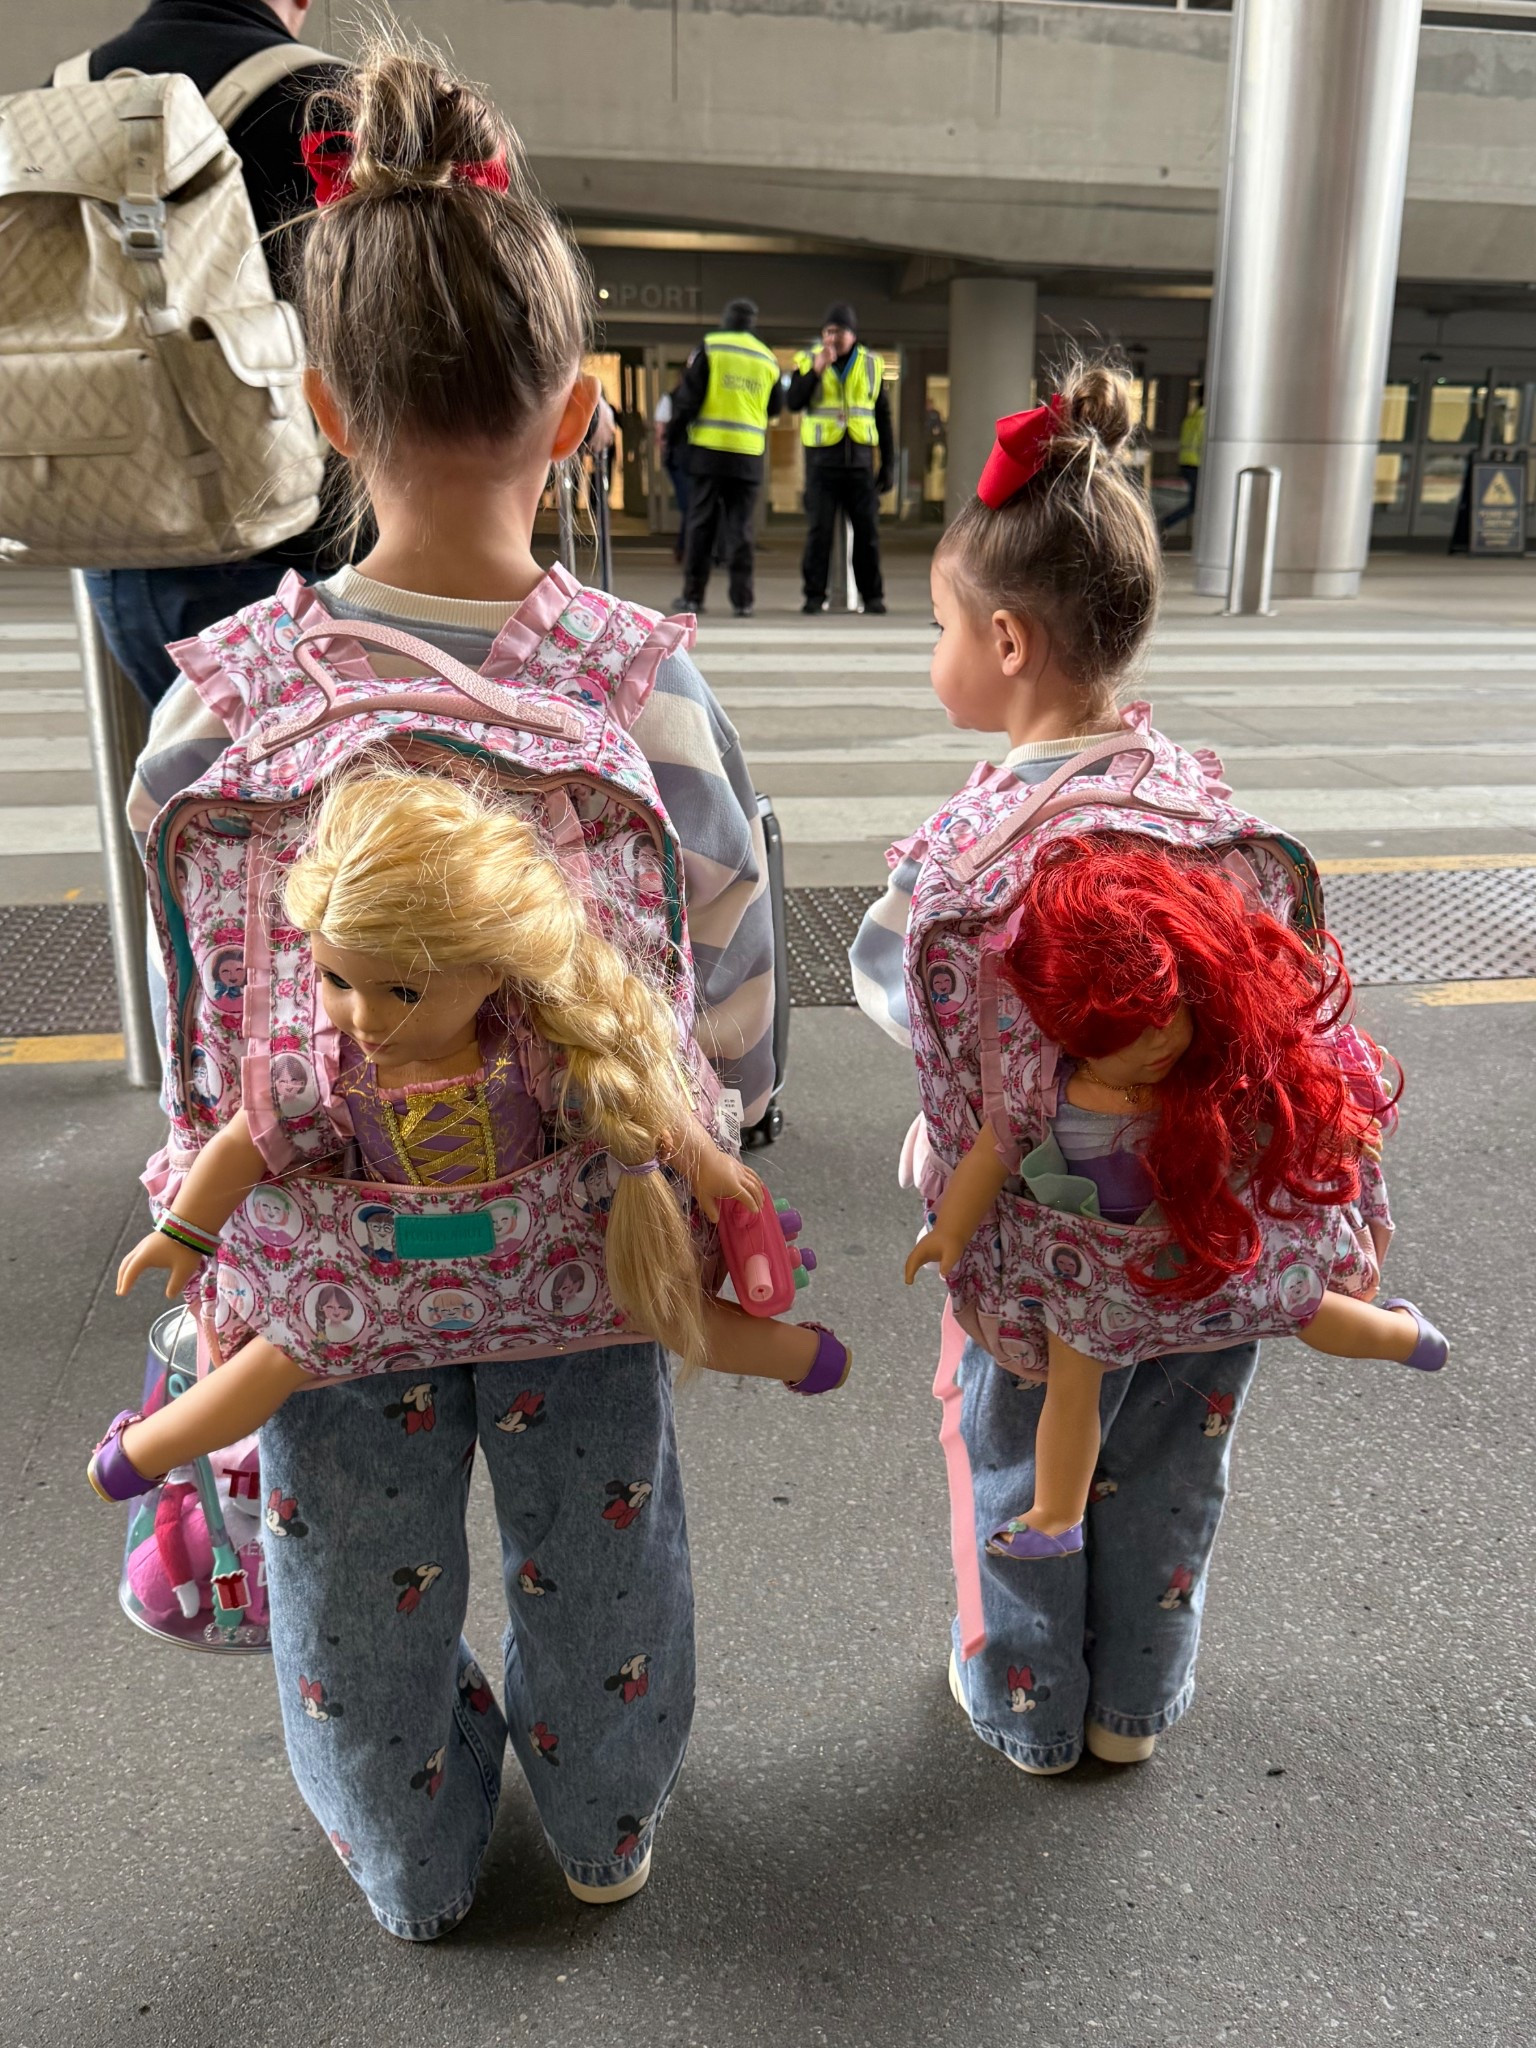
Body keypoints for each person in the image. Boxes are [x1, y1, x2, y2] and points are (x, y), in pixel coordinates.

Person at [123, 34, 780, 1935]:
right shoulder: (637, 686)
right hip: (590, 1245)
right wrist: (714, 1144)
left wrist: (202, 1200)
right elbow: (726, 980)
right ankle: (600, 1825)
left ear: (327, 407)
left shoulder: (218, 702)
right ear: (575, 418)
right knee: (601, 1548)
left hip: (320, 1275)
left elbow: (199, 1004)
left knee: (351, 1575)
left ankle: (410, 1854)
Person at [848, 355, 1367, 1775]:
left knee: (1023, 1469)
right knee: (1172, 1475)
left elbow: (911, 1007)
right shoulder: (1217, 818)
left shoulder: (962, 855)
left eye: (941, 626)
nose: (933, 653)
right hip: (1210, 1247)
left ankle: (1026, 1704)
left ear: (1008, 642)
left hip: (1044, 1260)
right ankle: (1134, 1710)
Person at [90, 770, 849, 1495]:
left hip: (514, 1276)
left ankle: (804, 1352)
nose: (362, 1016)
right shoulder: (322, 1073)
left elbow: (637, 1103)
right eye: (334, 979)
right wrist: (183, 1233)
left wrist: (709, 1165)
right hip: (448, 1282)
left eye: (405, 990)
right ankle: (145, 1450)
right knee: (273, 1364)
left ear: (493, 967)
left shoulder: (536, 1050)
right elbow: (241, 1146)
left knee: (671, 1313)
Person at [905, 833, 1446, 1564]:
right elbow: (992, 1153)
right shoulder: (1047, 1095)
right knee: (1073, 1383)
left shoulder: (1211, 1084)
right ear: (1069, 1032)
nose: (1157, 1046)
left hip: (1206, 1257)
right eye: (1123, 1037)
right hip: (1099, 1277)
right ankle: (1057, 1514)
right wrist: (950, 1230)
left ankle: (1402, 1335)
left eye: (1171, 1016)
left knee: (1312, 1310)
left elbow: (1292, 1126)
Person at [68, 0, 348, 706]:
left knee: (189, 787)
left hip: (111, 524)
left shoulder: (60, 94)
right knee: (317, 798)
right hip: (288, 533)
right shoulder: (325, 101)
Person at [667, 299, 783, 618]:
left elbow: (688, 400)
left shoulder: (711, 346)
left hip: (709, 452)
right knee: (741, 529)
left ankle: (693, 597)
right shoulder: (767, 357)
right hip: (748, 456)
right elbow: (774, 408)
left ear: (726, 320)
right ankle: (743, 601)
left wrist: (673, 440)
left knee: (701, 525)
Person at [785, 303, 895, 615]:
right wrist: (817, 370)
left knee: (867, 533)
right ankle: (813, 596)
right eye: (829, 331)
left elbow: (883, 418)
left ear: (853, 334)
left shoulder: (871, 364)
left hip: (860, 464)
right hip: (822, 464)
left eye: (841, 331)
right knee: (819, 533)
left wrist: (888, 465)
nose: (834, 337)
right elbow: (793, 402)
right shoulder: (808, 360)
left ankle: (872, 597)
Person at [653, 379, 691, 563]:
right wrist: (667, 452)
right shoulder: (670, 399)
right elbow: (660, 431)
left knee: (691, 506)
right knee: (689, 505)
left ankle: (686, 548)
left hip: (693, 460)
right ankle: (684, 548)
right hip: (679, 460)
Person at [1159, 383, 1204, 535]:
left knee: (1197, 503)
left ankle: (1164, 524)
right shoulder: (1206, 419)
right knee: (1197, 504)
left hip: (1187, 463)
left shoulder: (1192, 417)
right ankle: (1163, 524)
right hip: (1198, 465)